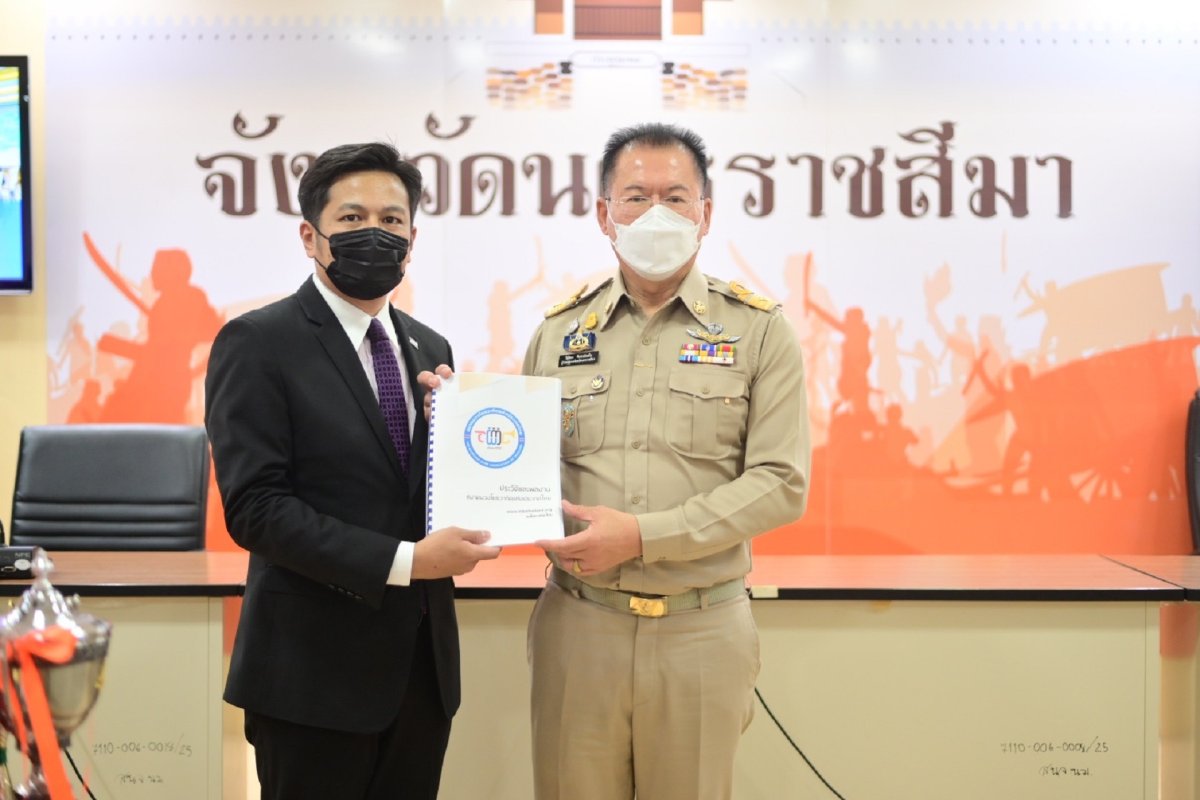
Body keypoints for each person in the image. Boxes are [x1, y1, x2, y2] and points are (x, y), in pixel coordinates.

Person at [204, 141, 501, 800]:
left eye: (392, 220)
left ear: (412, 239)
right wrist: (407, 560)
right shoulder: (258, 342)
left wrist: (457, 445)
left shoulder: (430, 347)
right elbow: (255, 508)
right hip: (310, 678)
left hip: (420, 675)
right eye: (352, 218)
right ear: (310, 236)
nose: (375, 233)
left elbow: (419, 490)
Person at [522, 122, 811, 799]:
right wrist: (456, 420)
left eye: (676, 198)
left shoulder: (759, 331)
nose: (656, 213)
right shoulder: (558, 333)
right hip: (579, 625)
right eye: (635, 197)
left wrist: (643, 536)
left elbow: (781, 483)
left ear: (705, 214)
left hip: (701, 631)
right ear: (605, 215)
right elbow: (517, 464)